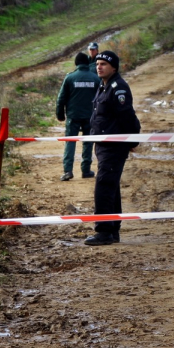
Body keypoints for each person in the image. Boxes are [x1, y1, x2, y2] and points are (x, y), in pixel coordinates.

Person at [86, 50, 140, 246]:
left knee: (104, 186)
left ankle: (104, 231)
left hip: (113, 147)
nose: (99, 66)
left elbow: (128, 117)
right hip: (103, 146)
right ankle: (113, 228)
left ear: (114, 67)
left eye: (104, 64)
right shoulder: (104, 85)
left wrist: (133, 141)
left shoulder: (118, 88)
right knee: (111, 186)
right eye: (98, 63)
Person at [55, 52, 100, 181]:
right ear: (87, 63)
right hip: (90, 116)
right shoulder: (95, 78)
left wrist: (60, 114)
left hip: (73, 116)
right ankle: (86, 170)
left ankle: (68, 171)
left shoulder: (70, 78)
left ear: (76, 64)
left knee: (70, 142)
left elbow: (61, 98)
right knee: (88, 142)